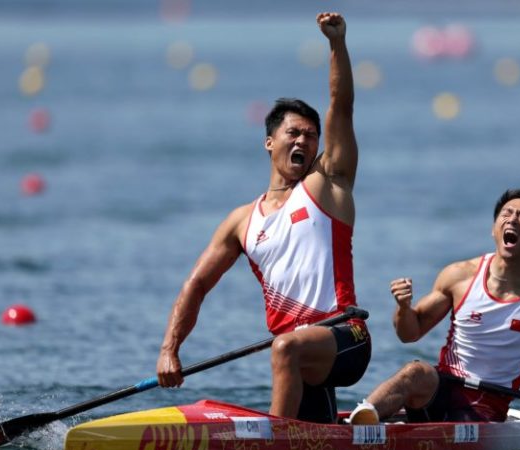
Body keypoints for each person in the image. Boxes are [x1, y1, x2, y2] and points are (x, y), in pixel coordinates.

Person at [156, 12, 370, 424]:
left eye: (311, 136)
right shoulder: (241, 221)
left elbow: (341, 107)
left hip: (347, 336)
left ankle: (272, 444)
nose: (305, 140)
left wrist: (337, 45)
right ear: (270, 143)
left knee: (284, 348)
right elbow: (197, 284)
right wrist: (170, 349)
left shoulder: (329, 184)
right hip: (299, 356)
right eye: (294, 133)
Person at [349, 189, 520, 426]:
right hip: (442, 387)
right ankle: (359, 423)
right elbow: (409, 333)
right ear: (494, 228)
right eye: (506, 214)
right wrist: (402, 307)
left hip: (486, 408)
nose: (513, 219)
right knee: (415, 371)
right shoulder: (459, 275)